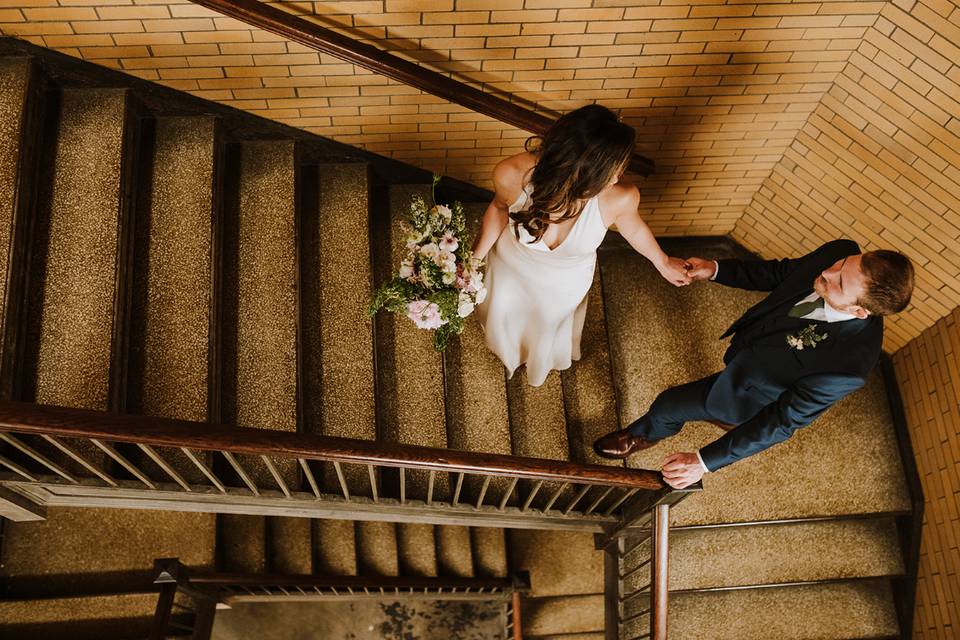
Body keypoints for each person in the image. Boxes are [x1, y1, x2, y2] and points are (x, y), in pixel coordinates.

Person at [592, 239, 915, 488]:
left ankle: (641, 436)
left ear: (860, 312)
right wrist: (716, 269)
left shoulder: (848, 366)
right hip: (748, 347)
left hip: (750, 395)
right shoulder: (839, 251)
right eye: (843, 265)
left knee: (669, 404)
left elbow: (780, 422)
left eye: (840, 284)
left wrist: (703, 462)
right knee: (702, 387)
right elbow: (780, 273)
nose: (828, 273)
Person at [472, 104, 691, 387]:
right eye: (610, 170)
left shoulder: (620, 197)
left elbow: (633, 228)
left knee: (547, 324)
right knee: (505, 310)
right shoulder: (511, 174)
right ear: (579, 166)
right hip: (512, 270)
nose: (615, 178)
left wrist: (662, 262)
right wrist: (473, 259)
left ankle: (537, 356)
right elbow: (499, 209)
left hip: (565, 284)